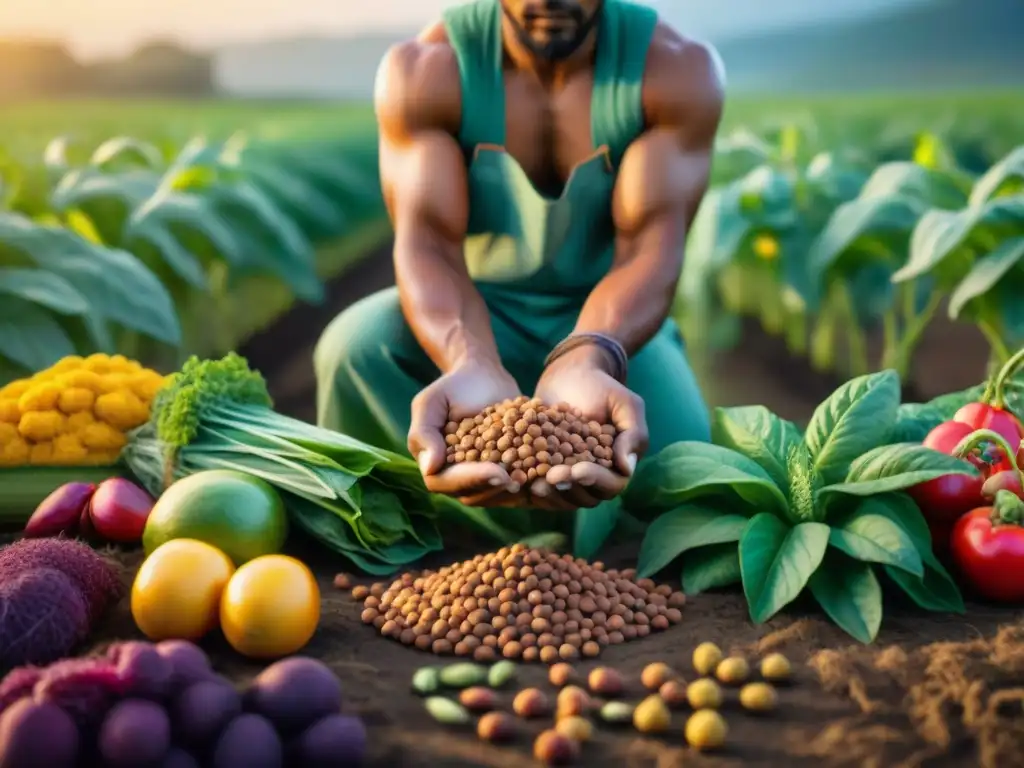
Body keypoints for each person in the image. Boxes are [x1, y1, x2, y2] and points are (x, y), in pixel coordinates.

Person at [315, 0, 724, 511]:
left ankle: (567, 560)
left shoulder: (674, 72)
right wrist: (470, 360)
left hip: (614, 326)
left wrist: (588, 355)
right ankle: (414, 530)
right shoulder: (426, 72)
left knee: (683, 464)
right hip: (476, 313)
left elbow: (648, 249)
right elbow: (428, 244)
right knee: (353, 347)